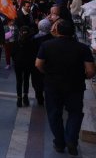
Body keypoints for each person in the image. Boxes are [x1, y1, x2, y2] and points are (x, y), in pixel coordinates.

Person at [35, 19, 95, 155]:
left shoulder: (46, 45)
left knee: (54, 114)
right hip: (75, 86)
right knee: (75, 113)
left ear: (57, 31)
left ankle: (60, 142)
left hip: (52, 86)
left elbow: (38, 64)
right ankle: (71, 140)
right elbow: (91, 71)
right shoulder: (83, 48)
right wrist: (82, 77)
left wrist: (48, 73)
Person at [11, 26, 33, 107]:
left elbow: (12, 54)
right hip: (28, 64)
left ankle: (19, 99)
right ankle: (25, 97)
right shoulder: (31, 42)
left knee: (19, 81)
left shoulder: (16, 42)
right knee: (26, 80)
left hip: (18, 64)